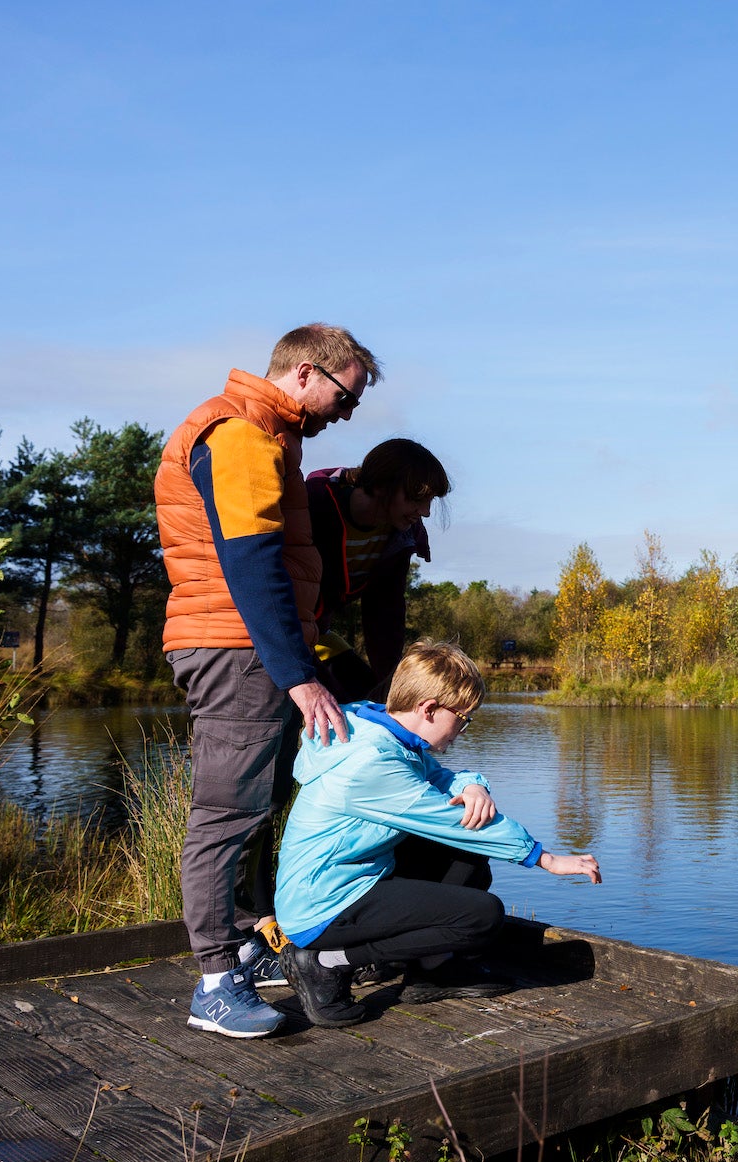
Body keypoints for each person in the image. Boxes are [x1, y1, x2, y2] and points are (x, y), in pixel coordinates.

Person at [154, 323, 376, 1039]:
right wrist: (297, 675)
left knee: (256, 804)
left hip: (245, 644)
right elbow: (250, 561)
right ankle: (215, 983)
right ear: (307, 373)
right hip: (236, 646)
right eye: (346, 396)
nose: (347, 413)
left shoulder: (267, 436)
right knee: (228, 811)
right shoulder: (242, 435)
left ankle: (245, 947)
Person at [274, 640, 601, 1026]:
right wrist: (545, 858)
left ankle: (433, 972)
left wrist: (474, 785)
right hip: (322, 904)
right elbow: (450, 822)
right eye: (463, 718)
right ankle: (325, 963)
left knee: (468, 858)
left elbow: (441, 778)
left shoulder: (378, 729)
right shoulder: (372, 763)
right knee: (481, 916)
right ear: (429, 709)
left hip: (351, 878)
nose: (463, 729)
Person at [306, 438, 451, 702]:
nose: (426, 512)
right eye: (418, 498)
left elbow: (385, 615)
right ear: (384, 486)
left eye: (430, 501)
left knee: (373, 697)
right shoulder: (314, 506)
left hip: (319, 635)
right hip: (279, 634)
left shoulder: (401, 535)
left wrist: (390, 686)